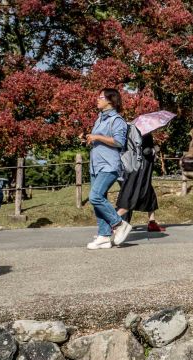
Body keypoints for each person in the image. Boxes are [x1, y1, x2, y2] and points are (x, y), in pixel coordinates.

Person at [81, 88, 133, 249]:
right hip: (96, 165)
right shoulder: (99, 119)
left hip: (109, 165)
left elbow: (119, 142)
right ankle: (104, 236)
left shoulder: (117, 120)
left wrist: (96, 136)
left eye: (100, 97)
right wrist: (88, 138)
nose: (97, 99)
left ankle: (119, 224)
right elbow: (100, 140)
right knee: (98, 200)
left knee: (95, 196)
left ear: (110, 100)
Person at [116, 133, 165, 232]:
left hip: (129, 168)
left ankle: (152, 222)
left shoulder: (130, 133)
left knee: (149, 194)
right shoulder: (144, 134)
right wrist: (154, 149)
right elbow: (146, 151)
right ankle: (116, 222)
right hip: (139, 171)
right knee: (130, 196)